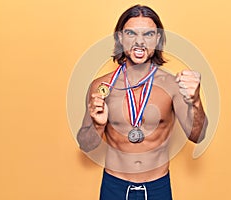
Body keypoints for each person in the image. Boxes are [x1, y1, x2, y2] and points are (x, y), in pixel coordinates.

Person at [77, 4, 208, 200]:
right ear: (120, 38)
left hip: (158, 188)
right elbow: (85, 145)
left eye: (148, 34)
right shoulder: (100, 86)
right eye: (131, 33)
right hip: (114, 186)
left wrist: (196, 101)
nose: (139, 42)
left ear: (158, 39)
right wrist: (98, 124)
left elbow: (197, 136)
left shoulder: (172, 85)